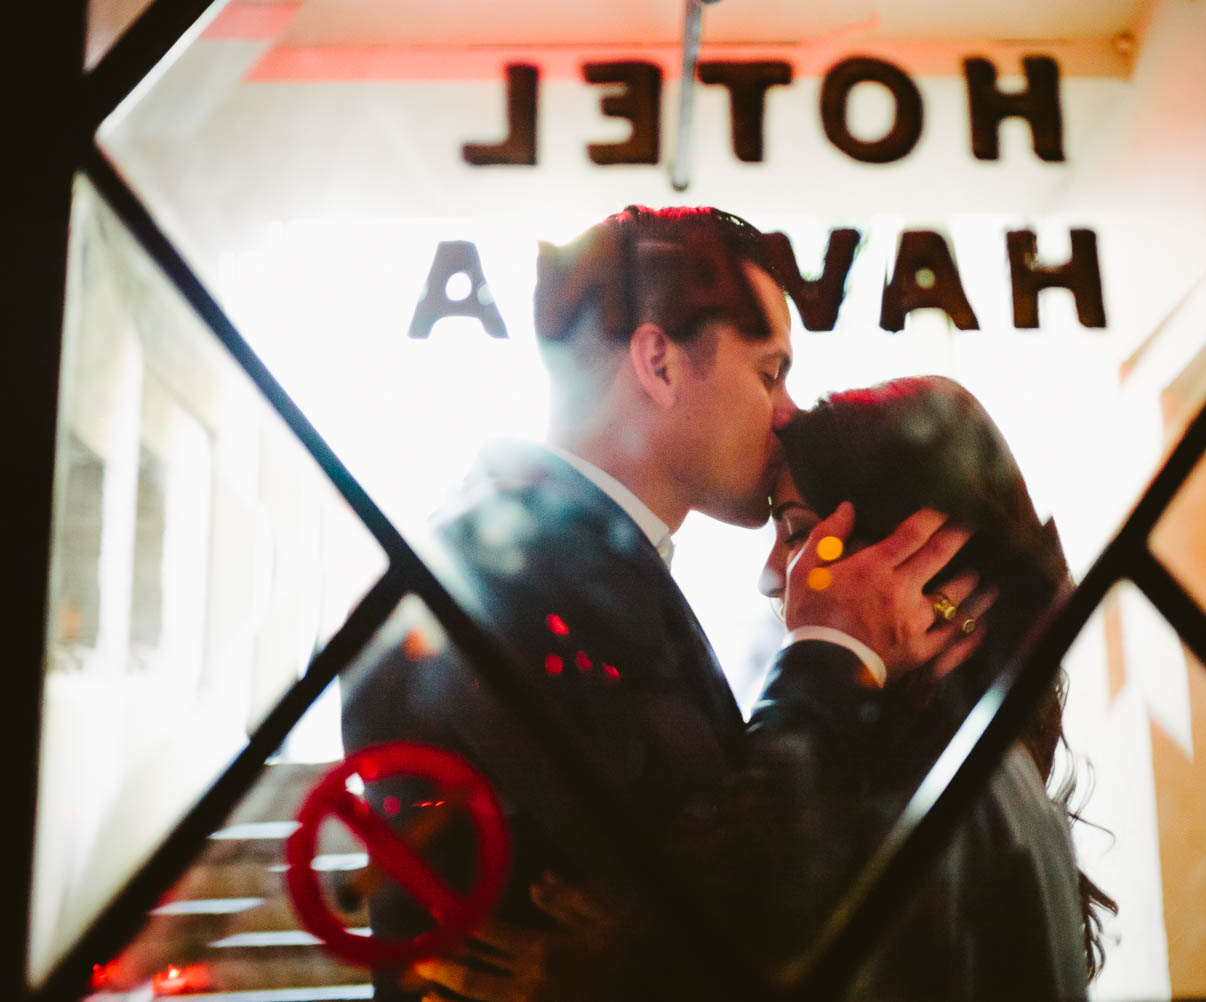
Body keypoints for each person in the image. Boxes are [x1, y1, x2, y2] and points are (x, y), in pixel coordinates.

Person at [339, 207, 985, 1002]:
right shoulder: (496, 578)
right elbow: (714, 911)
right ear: (659, 362)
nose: (788, 415)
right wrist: (831, 654)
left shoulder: (563, 562)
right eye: (769, 373)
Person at [752, 374, 1117, 999]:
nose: (769, 576)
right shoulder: (977, 773)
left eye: (795, 531)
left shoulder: (942, 798)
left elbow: (746, 938)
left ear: (916, 553)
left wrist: (824, 654)